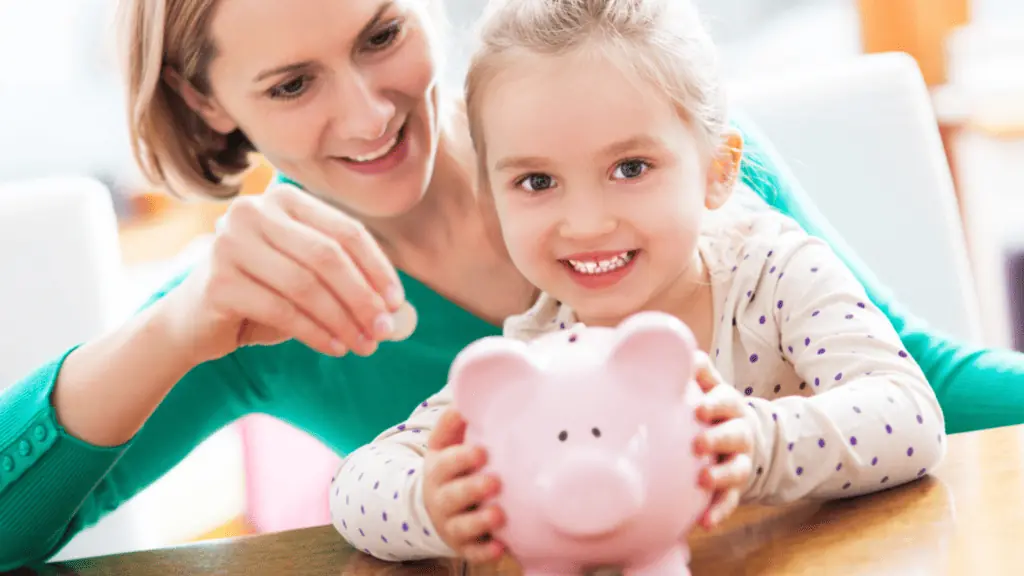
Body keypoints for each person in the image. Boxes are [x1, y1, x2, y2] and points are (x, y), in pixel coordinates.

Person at [0, 0, 1017, 569]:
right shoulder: (260, 305)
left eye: (380, 35)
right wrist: (174, 329)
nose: (366, 117)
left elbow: (923, 387)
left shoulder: (661, 165)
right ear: (206, 100)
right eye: (291, 85)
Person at [327, 0, 946, 564]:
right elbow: (355, 484)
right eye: (537, 183)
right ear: (492, 201)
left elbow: (910, 416)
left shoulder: (776, 273)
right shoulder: (534, 356)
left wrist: (757, 444)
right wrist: (433, 505)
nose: (588, 222)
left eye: (631, 167)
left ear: (716, 171)